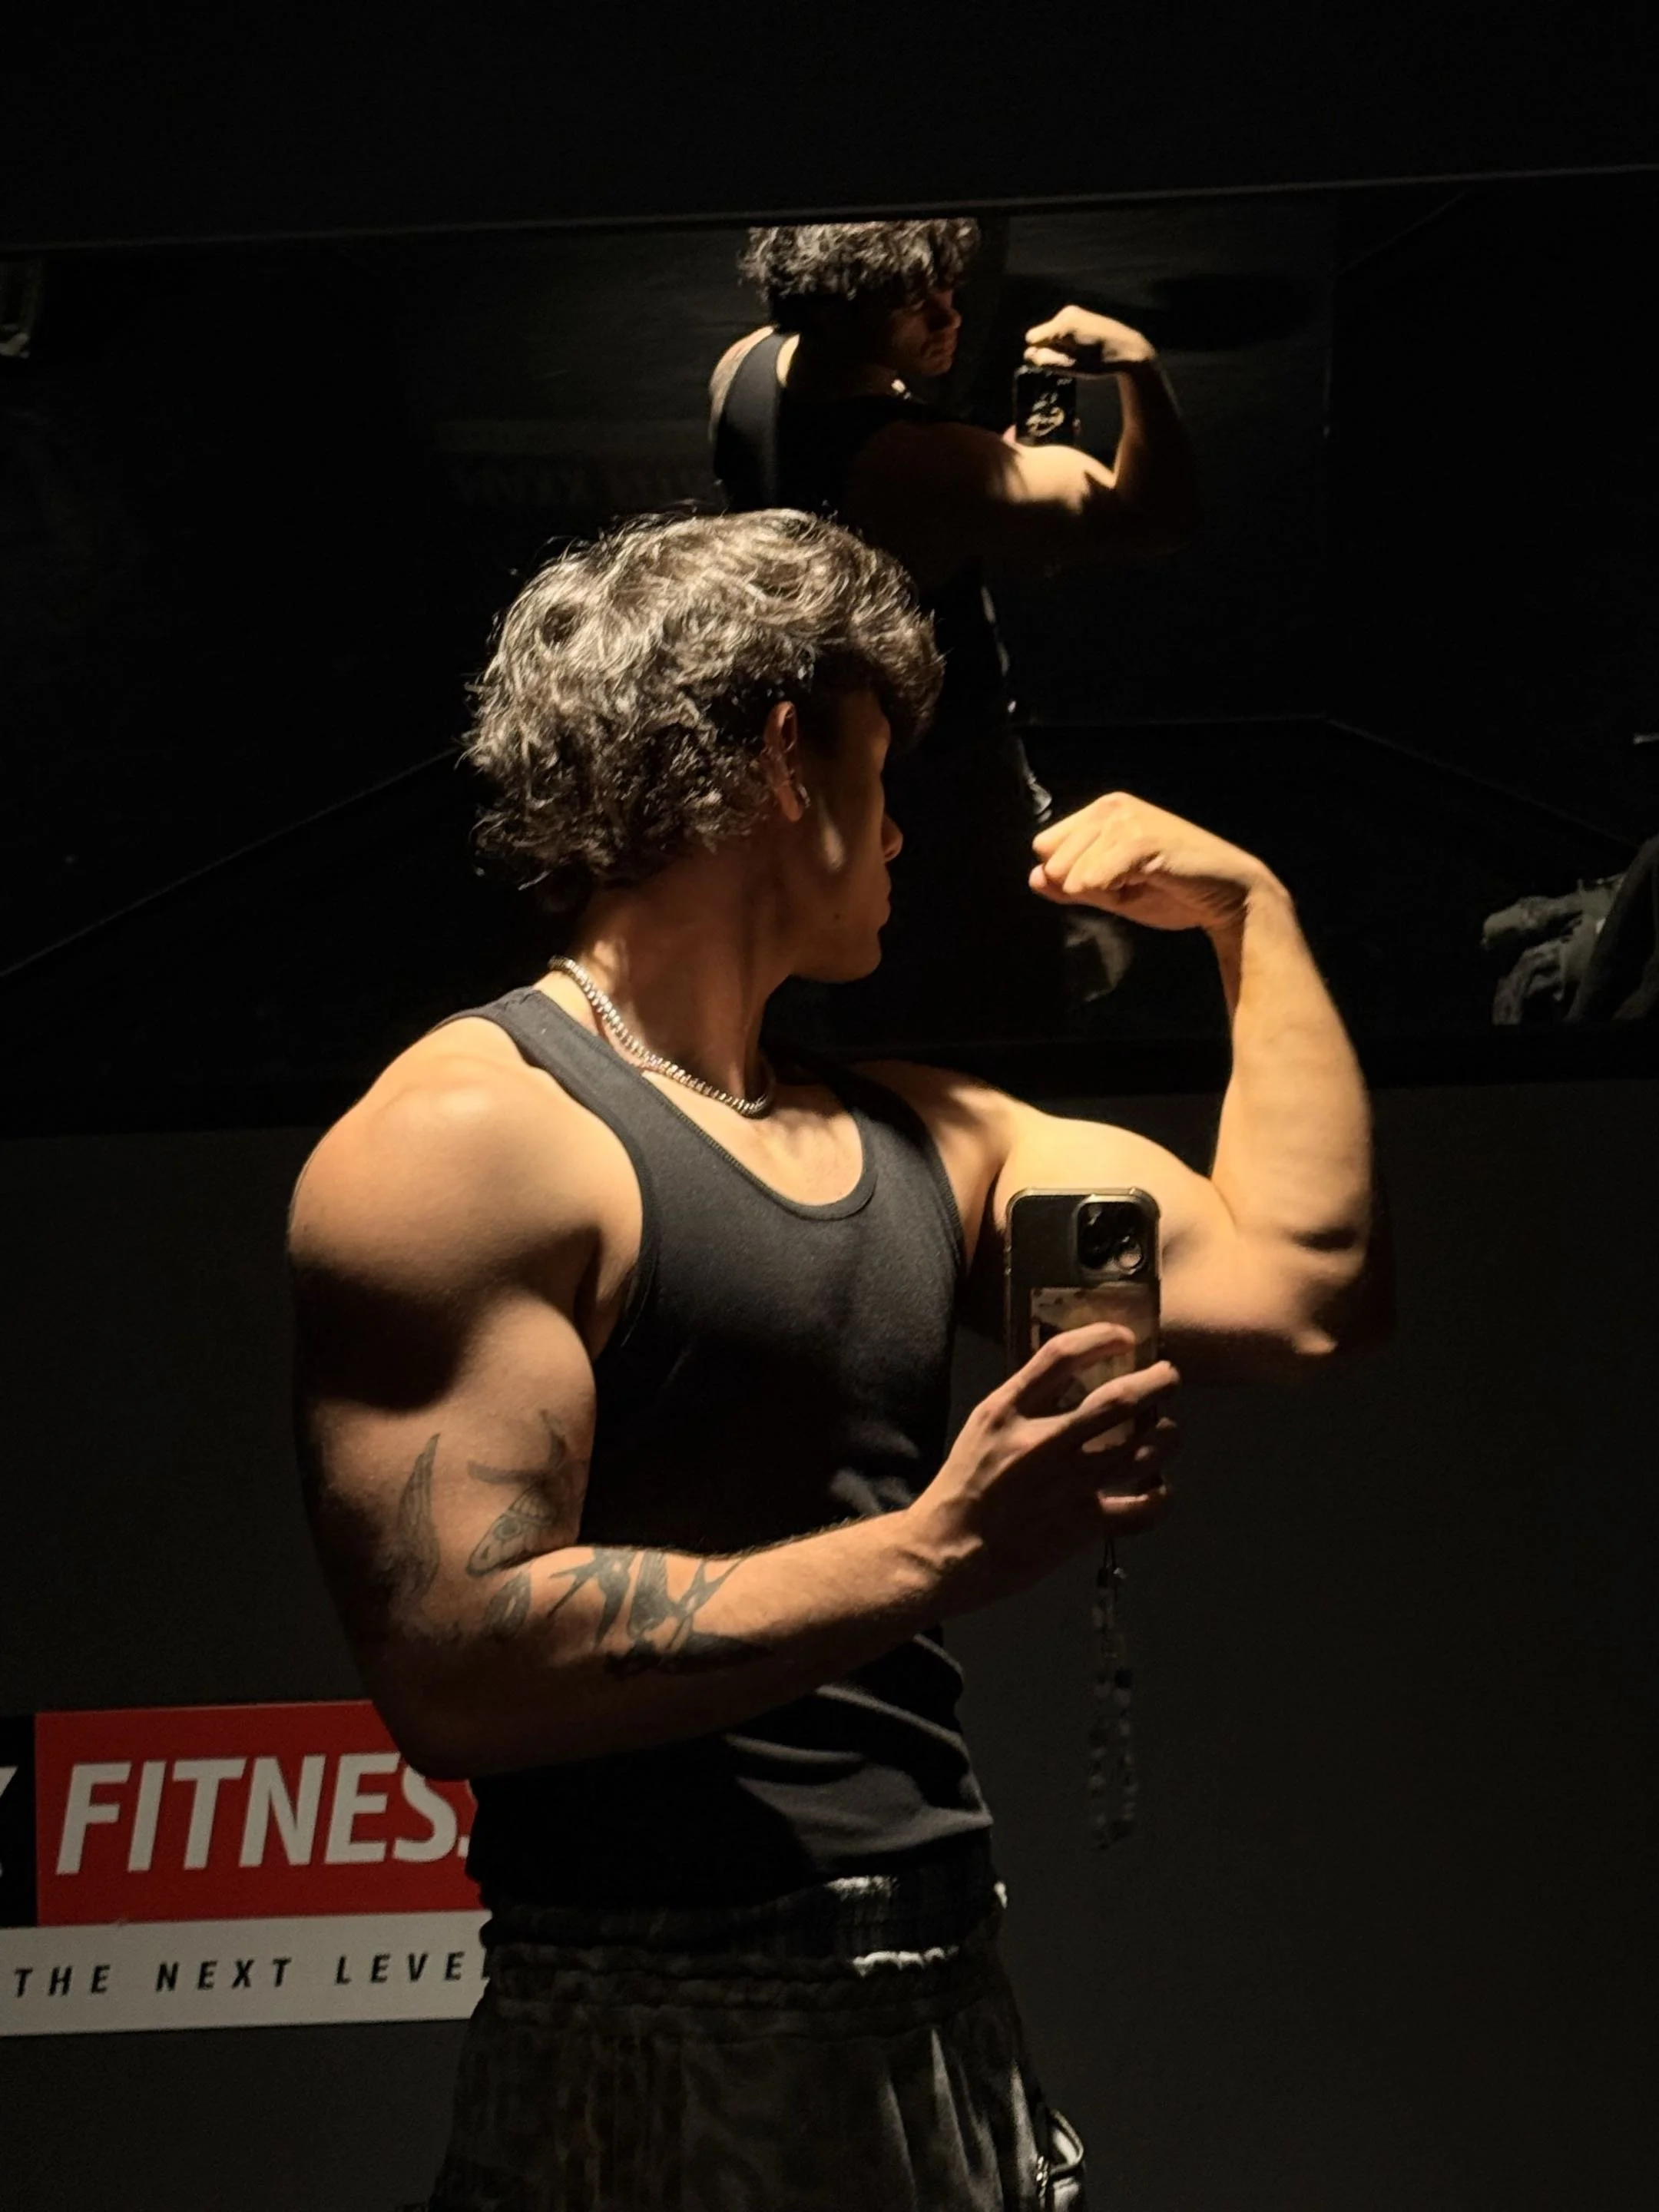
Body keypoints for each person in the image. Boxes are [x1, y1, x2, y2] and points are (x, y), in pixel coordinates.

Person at [289, 511, 1383, 2210]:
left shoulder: (925, 1141)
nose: (905, 828)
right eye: (887, 768)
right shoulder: (470, 1141)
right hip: (652, 2027)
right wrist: (939, 1548)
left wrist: (1257, 917)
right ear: (789, 755)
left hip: (943, 1998)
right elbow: (459, 1667)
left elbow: (1301, 1287)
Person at [710, 219, 1200, 1044]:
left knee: (877, 966)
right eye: (912, 303)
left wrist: (974, 484)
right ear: (831, 308)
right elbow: (1158, 517)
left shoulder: (744, 366)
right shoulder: (924, 465)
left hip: (825, 746)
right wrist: (1138, 366)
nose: (950, 316)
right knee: (994, 985)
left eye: (948, 289)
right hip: (950, 771)